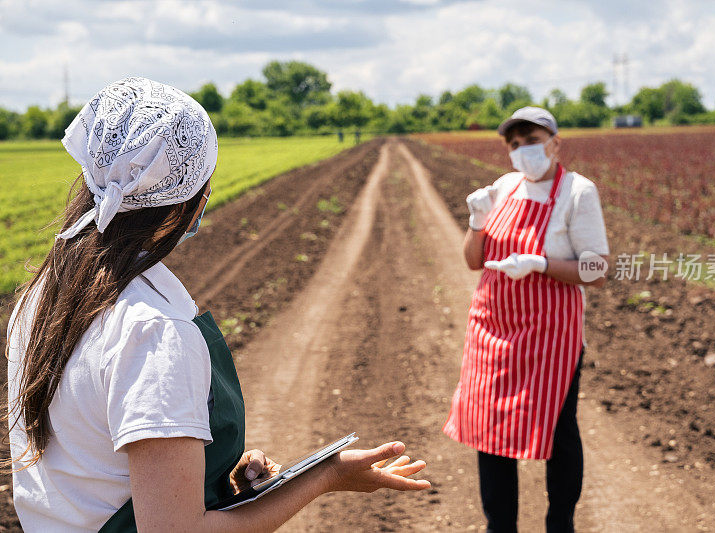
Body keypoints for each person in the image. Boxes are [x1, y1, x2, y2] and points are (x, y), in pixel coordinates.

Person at [4, 77, 430, 532]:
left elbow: (91, 462)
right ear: (186, 200)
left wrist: (207, 472)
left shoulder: (45, 294)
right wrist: (324, 476)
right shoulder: (155, 333)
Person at [442, 107, 610, 533]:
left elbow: (598, 270)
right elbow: (473, 261)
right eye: (514, 145)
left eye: (532, 140)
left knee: (558, 430)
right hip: (492, 329)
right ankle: (500, 526)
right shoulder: (504, 187)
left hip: (550, 334)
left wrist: (540, 263)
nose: (523, 151)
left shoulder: (577, 192)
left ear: (555, 143)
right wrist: (476, 223)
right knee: (487, 429)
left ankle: (561, 521)